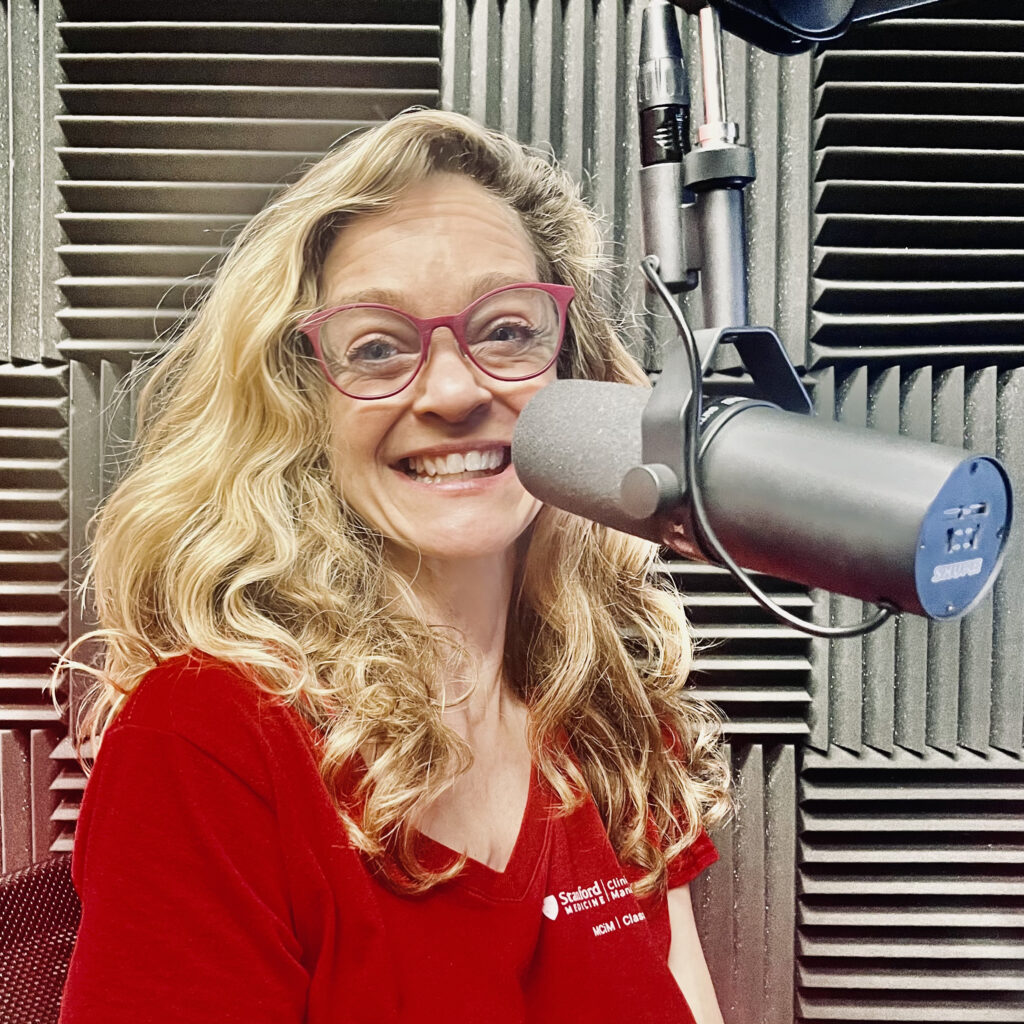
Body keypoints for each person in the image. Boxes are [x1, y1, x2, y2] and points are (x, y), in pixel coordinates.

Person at [57, 109, 731, 1024]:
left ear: (567, 370)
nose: (454, 391)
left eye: (505, 330)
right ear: (302, 410)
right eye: (376, 346)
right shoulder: (206, 742)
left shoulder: (609, 710)